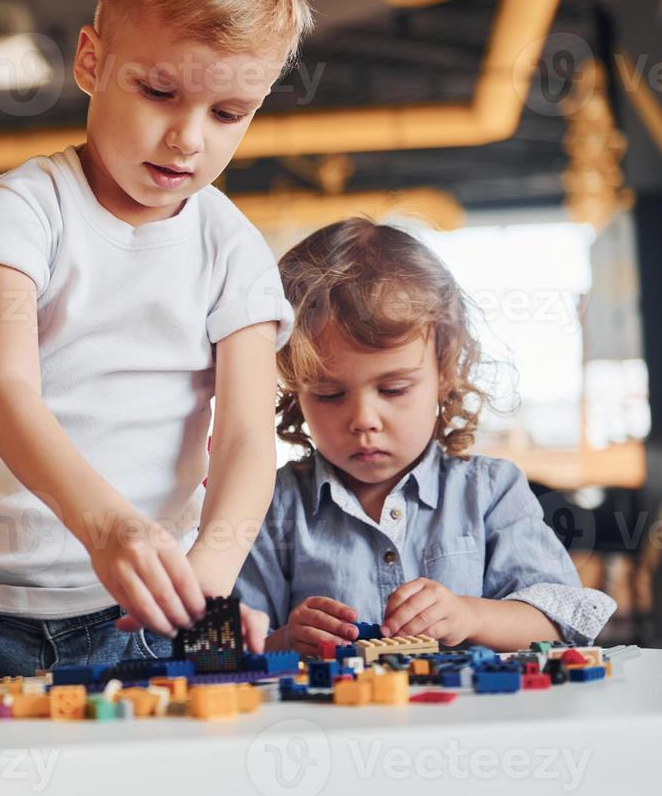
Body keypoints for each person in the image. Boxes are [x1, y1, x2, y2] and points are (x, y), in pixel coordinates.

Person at [0, 0, 315, 675]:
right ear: (90, 61)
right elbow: (6, 392)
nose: (188, 137)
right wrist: (108, 529)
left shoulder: (232, 247)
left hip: (142, 610)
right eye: (159, 92)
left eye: (229, 111)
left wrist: (202, 582)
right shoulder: (23, 209)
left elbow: (245, 439)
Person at [236, 219, 616, 654]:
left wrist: (471, 615)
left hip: (470, 720)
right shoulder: (271, 504)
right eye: (328, 394)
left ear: (444, 371)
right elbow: (231, 646)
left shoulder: (490, 492)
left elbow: (560, 623)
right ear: (294, 391)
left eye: (394, 389)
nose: (363, 419)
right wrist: (284, 641)